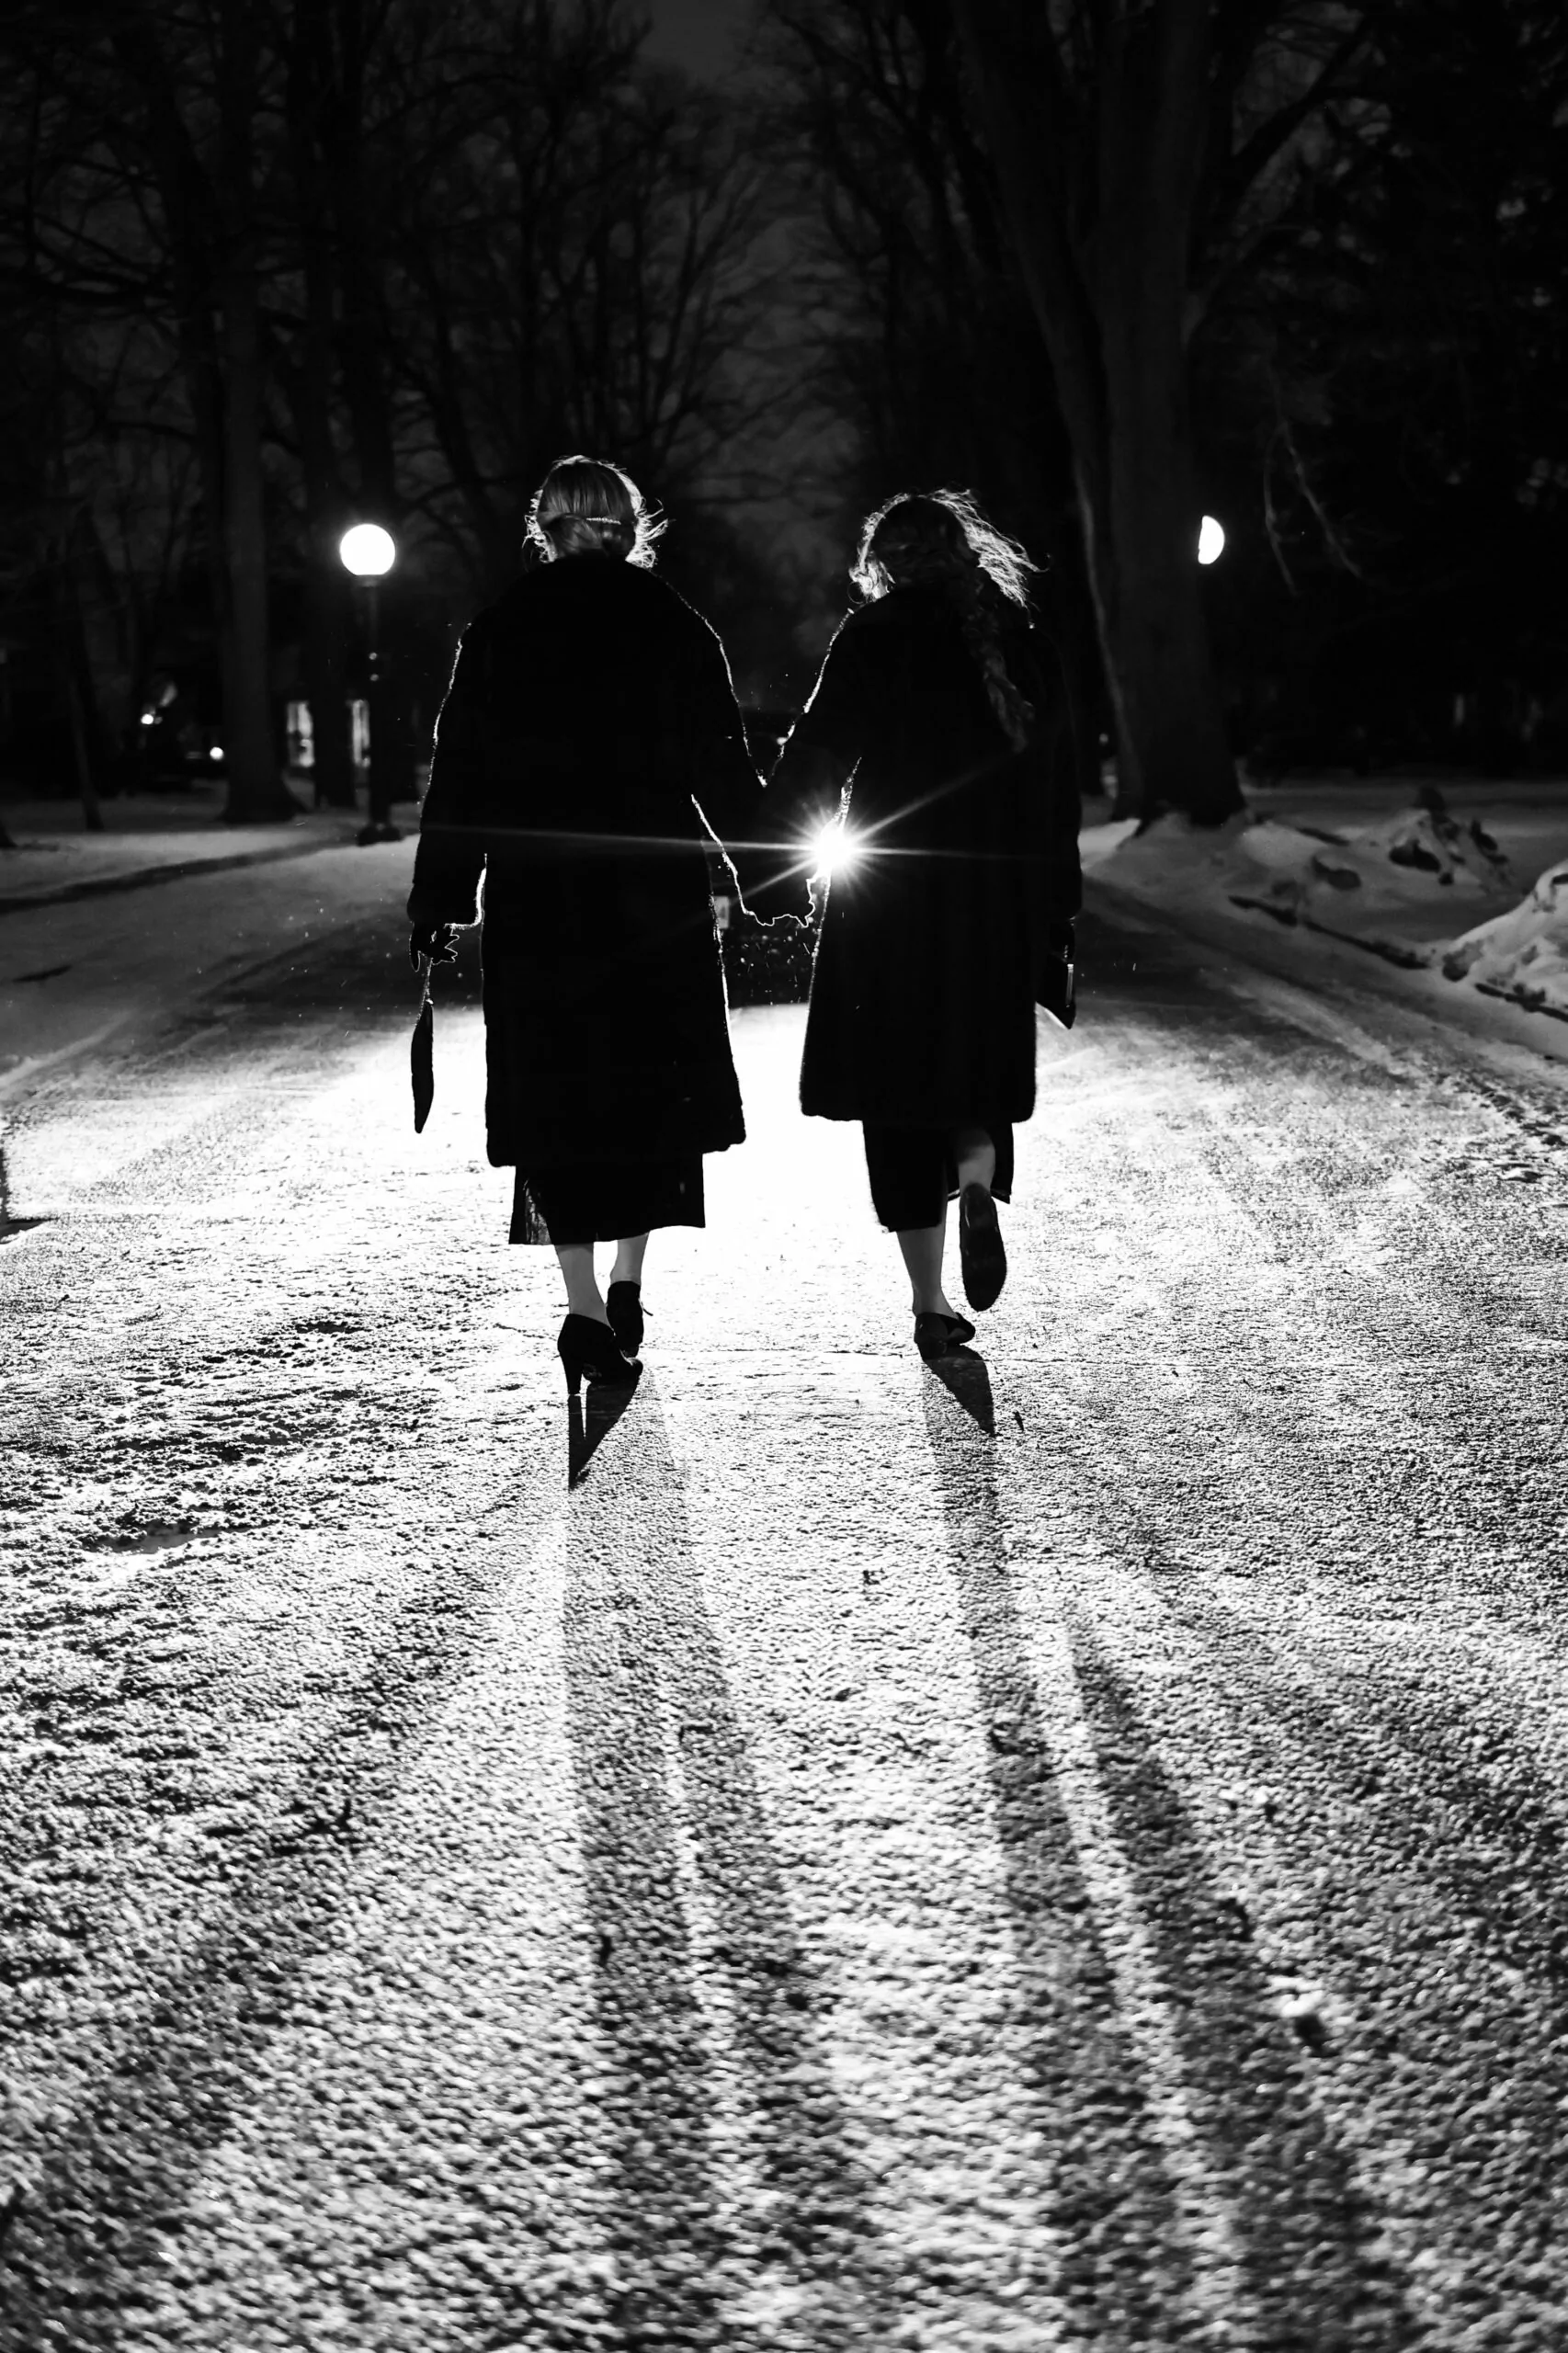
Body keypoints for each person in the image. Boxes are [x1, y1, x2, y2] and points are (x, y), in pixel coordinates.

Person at [406, 454, 778, 1396]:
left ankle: (580, 1307)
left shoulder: (501, 628)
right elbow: (722, 767)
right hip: (650, 896)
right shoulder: (674, 624)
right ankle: (626, 1283)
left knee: (557, 1100)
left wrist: (439, 897)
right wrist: (771, 876)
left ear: (545, 527)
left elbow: (461, 777)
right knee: (651, 1096)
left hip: (540, 900)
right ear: (630, 527)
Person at [769, 488, 1081, 1362]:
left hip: (890, 896)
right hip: (997, 896)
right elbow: (1057, 787)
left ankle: (931, 1305)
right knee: (974, 1075)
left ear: (881, 567)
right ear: (967, 553)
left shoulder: (872, 637)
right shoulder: (1020, 642)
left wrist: (771, 868)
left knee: (898, 1100)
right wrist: (1056, 906)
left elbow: (818, 755)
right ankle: (977, 1183)